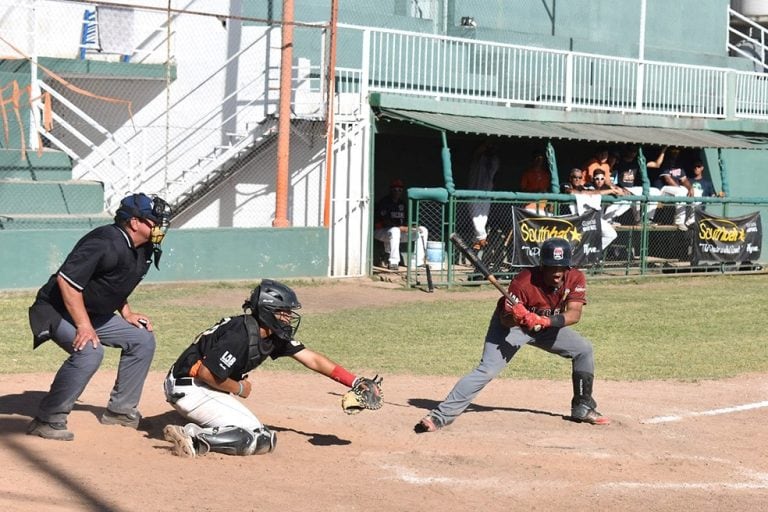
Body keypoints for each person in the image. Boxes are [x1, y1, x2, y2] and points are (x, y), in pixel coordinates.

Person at [162, 279, 381, 458]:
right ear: (268, 311)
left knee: (258, 435)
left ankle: (201, 428)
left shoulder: (271, 333)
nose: (288, 317)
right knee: (258, 436)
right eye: (283, 312)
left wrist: (354, 382)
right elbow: (206, 373)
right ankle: (193, 437)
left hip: (200, 387)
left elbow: (311, 359)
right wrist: (239, 388)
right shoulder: (241, 333)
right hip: (192, 388)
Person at [414, 237, 610, 433]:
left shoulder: (575, 277)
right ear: (542, 265)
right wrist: (518, 318)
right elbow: (505, 319)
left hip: (546, 327)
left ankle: (582, 407)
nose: (557, 273)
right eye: (552, 267)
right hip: (511, 330)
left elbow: (574, 314)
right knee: (487, 370)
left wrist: (544, 321)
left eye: (562, 267)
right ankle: (440, 416)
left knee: (583, 349)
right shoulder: (523, 282)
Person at [26, 192, 172, 441]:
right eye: (154, 221)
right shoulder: (104, 241)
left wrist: (126, 312)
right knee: (89, 350)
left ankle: (120, 411)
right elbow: (67, 282)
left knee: (141, 338)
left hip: (92, 313)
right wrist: (83, 326)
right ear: (134, 222)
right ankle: (47, 419)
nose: (160, 227)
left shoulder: (143, 248)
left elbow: (115, 282)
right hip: (55, 309)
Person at [373, 178, 428, 271]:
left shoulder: (402, 203)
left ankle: (419, 262)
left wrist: (412, 227)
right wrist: (401, 228)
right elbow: (385, 222)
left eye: (399, 189)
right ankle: (393, 262)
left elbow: (406, 221)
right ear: (390, 190)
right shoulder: (384, 202)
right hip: (380, 231)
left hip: (398, 233)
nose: (397, 191)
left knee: (423, 230)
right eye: (394, 189)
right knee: (395, 230)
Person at [610, 145, 661, 225]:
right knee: (633, 199)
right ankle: (638, 220)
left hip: (632, 189)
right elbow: (611, 175)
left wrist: (663, 151)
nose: (632, 153)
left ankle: (646, 219)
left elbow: (656, 165)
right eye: (631, 150)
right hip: (622, 188)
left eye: (634, 151)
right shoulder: (619, 162)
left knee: (656, 191)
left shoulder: (637, 162)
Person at [467, 139, 500, 250]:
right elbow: (477, 154)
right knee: (477, 222)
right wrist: (485, 145)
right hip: (473, 194)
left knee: (482, 222)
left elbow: (494, 160)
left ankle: (477, 242)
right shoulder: (477, 160)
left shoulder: (493, 161)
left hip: (486, 193)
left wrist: (491, 148)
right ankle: (482, 239)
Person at [653, 147, 695, 230]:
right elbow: (667, 179)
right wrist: (681, 189)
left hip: (674, 190)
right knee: (681, 192)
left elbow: (684, 179)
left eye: (677, 151)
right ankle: (679, 221)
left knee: (695, 192)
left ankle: (691, 220)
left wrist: (690, 188)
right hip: (662, 189)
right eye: (673, 151)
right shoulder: (665, 163)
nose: (675, 153)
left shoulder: (678, 165)